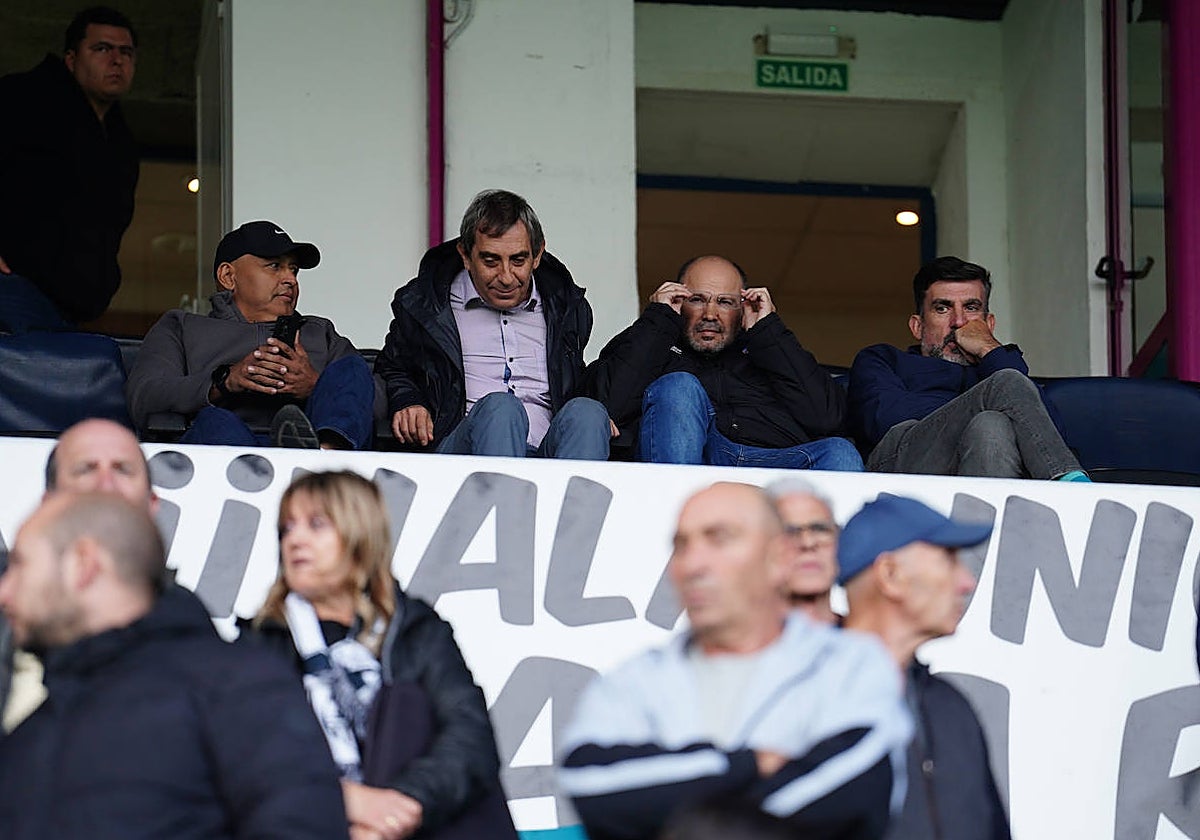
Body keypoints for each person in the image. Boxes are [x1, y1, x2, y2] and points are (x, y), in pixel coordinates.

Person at [559, 482, 910, 840]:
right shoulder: (635, 678)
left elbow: (855, 787)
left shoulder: (852, 663)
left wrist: (679, 808)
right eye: (681, 545)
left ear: (778, 559)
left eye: (719, 538)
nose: (693, 563)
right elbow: (587, 780)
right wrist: (749, 764)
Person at [0, 491, 348, 838]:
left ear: (83, 563)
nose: (4, 591)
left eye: (20, 564)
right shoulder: (33, 730)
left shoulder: (234, 685)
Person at [245, 470, 516, 840]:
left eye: (316, 524)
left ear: (359, 534)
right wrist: (343, 802)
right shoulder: (260, 643)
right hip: (306, 826)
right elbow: (239, 757)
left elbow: (472, 739)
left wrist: (399, 810)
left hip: (414, 824)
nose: (295, 540)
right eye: (287, 528)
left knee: (410, 709)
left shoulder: (415, 629)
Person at [376, 189, 610, 459]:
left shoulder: (565, 307)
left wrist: (604, 416)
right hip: (463, 452)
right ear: (465, 255)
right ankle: (502, 500)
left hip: (549, 451)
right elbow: (392, 367)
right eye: (491, 261)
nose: (507, 277)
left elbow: (575, 381)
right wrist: (409, 401)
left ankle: (577, 503)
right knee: (502, 408)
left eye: (518, 260)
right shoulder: (427, 305)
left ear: (537, 255)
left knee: (589, 413)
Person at [838, 493, 1011, 840]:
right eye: (948, 559)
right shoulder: (796, 704)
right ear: (890, 575)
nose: (967, 582)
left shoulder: (951, 707)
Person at [587, 255, 861, 470]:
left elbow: (828, 419)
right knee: (679, 386)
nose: (710, 314)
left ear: (742, 309)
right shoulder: (655, 343)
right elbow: (603, 408)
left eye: (725, 302)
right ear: (679, 302)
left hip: (772, 470)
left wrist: (768, 333)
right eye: (697, 300)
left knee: (840, 451)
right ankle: (678, 524)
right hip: (690, 469)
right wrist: (657, 321)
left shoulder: (769, 349)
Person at [126, 221, 376, 449]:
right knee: (216, 421)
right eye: (275, 266)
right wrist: (223, 383)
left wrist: (314, 385)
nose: (290, 279)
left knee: (352, 368)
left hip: (313, 449)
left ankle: (322, 458)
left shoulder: (320, 332)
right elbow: (144, 397)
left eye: (294, 270)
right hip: (228, 453)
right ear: (228, 276)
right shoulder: (181, 327)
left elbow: (378, 402)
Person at [847, 256, 1088, 480]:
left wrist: (990, 350)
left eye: (971, 308)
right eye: (942, 308)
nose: (959, 322)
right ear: (917, 326)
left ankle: (985, 526)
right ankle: (1075, 489)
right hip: (902, 468)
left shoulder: (998, 367)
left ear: (988, 324)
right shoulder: (883, 359)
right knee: (1005, 386)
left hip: (984, 467)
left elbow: (1051, 435)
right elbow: (884, 421)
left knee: (991, 425)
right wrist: (979, 400)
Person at [3, 417, 159, 732]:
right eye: (86, 469)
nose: (105, 485)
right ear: (48, 502)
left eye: (122, 470)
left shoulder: (196, 641)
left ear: (152, 504)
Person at [0, 6, 140, 331]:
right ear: (71, 59)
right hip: (14, 289)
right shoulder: (22, 97)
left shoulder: (120, 140)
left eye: (126, 52)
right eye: (102, 48)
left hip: (73, 306)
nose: (116, 59)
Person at [765, 478, 840, 626]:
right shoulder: (729, 644)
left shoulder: (874, 643)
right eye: (790, 532)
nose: (808, 543)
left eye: (820, 530)